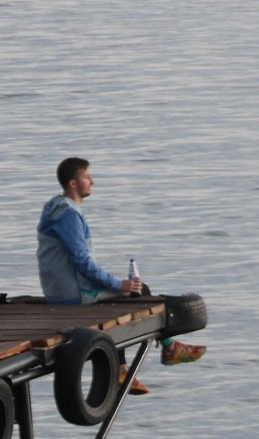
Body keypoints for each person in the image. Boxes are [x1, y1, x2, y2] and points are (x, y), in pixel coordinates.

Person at [37, 156, 206, 393]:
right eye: (87, 176)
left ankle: (133, 363)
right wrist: (120, 284)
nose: (92, 181)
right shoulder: (68, 216)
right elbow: (82, 263)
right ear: (73, 184)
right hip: (73, 293)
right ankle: (162, 351)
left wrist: (119, 286)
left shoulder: (55, 206)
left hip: (60, 289)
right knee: (138, 292)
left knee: (129, 293)